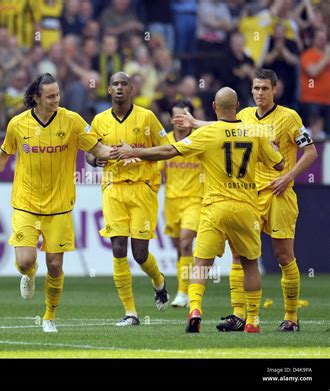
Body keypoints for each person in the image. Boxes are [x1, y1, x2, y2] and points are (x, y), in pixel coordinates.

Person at [111, 87, 285, 333]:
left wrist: (134, 151)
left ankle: (194, 309)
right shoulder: (254, 132)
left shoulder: (207, 133)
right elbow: (279, 164)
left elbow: (169, 150)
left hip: (215, 207)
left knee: (201, 264)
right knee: (249, 264)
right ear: (237, 107)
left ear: (214, 107)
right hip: (246, 207)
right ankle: (253, 320)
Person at [173, 69, 318, 332]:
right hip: (249, 195)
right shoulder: (245, 116)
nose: (260, 93)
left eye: (265, 88)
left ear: (275, 90)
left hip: (278, 193)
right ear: (250, 91)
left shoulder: (290, 117)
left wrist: (288, 177)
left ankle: (291, 316)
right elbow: (224, 128)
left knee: (284, 255)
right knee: (239, 256)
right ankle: (240, 316)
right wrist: (195, 124)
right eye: (256, 88)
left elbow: (310, 151)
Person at [0, 73, 122, 333]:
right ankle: (29, 274)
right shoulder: (17, 124)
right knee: (24, 261)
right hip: (25, 203)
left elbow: (97, 149)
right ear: (36, 98)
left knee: (55, 265)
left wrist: (121, 153)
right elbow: (3, 154)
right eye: (51, 96)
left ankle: (49, 317)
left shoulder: (73, 121)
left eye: (58, 94)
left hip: (60, 206)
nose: (57, 99)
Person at [86, 71, 170, 327]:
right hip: (113, 188)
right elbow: (90, 153)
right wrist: (96, 160)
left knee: (140, 254)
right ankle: (131, 313)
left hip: (142, 189)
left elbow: (167, 150)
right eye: (114, 84)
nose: (119, 88)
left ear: (132, 89)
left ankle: (159, 282)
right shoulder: (99, 121)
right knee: (118, 248)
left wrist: (136, 152)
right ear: (109, 90)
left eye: (124, 84)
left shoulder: (147, 117)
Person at [159, 100, 203, 308]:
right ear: (170, 119)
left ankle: (184, 293)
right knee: (180, 248)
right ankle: (185, 287)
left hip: (195, 200)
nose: (180, 120)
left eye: (184, 116)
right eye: (176, 116)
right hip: (172, 202)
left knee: (186, 242)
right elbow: (157, 171)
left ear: (191, 118)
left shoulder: (201, 139)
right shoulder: (165, 141)